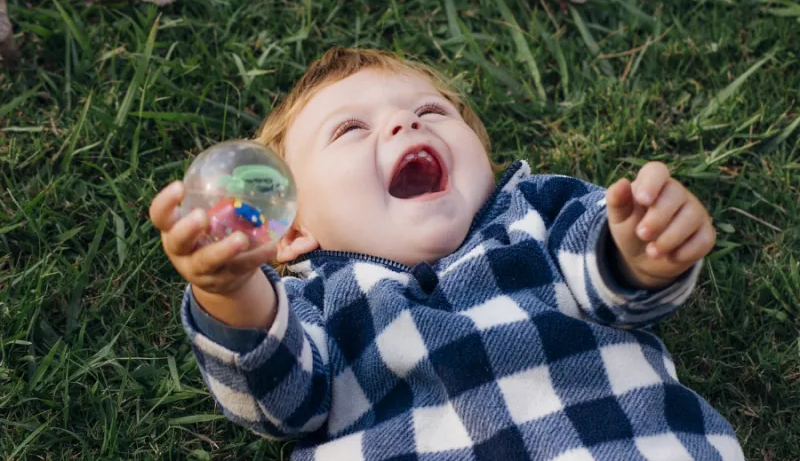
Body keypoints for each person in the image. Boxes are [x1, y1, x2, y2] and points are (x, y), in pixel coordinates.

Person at [149, 48, 744, 460]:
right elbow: (280, 402)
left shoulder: (537, 212)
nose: (406, 125)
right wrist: (230, 292)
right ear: (293, 229)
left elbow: (604, 272)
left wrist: (638, 254)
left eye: (431, 111)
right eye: (351, 130)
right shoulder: (310, 304)